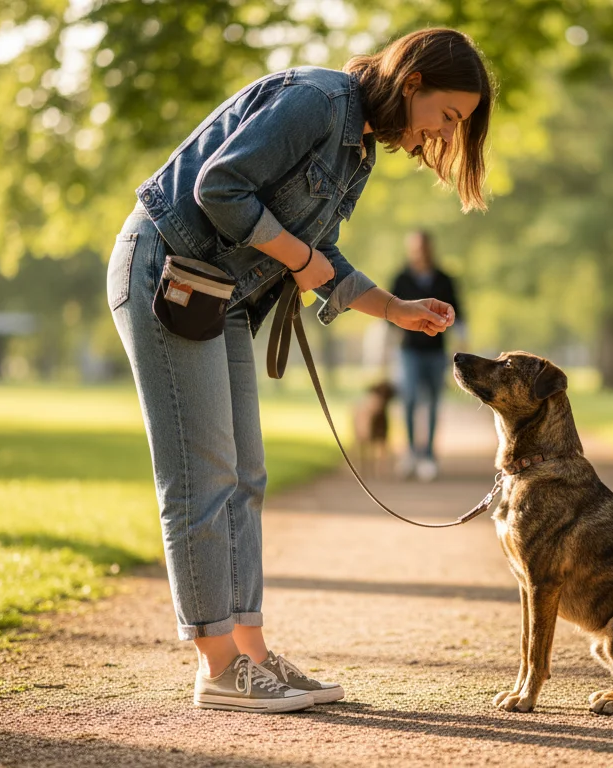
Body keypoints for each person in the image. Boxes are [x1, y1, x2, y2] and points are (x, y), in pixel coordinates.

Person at [106, 28, 493, 713]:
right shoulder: (317, 101)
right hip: (165, 273)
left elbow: (323, 256)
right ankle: (218, 667)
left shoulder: (360, 146)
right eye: (447, 117)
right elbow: (218, 185)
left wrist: (394, 308)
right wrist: (295, 256)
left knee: (244, 476)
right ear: (413, 85)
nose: (442, 135)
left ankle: (252, 654)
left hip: (220, 293)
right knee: (202, 477)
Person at [391, 230, 463, 482]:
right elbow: (389, 316)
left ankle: (428, 456)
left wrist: (461, 345)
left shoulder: (444, 279)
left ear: (429, 248)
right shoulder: (401, 278)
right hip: (409, 351)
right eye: (415, 247)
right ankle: (411, 452)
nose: (419, 251)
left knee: (432, 402)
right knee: (409, 399)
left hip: (436, 351)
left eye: (422, 247)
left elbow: (459, 315)